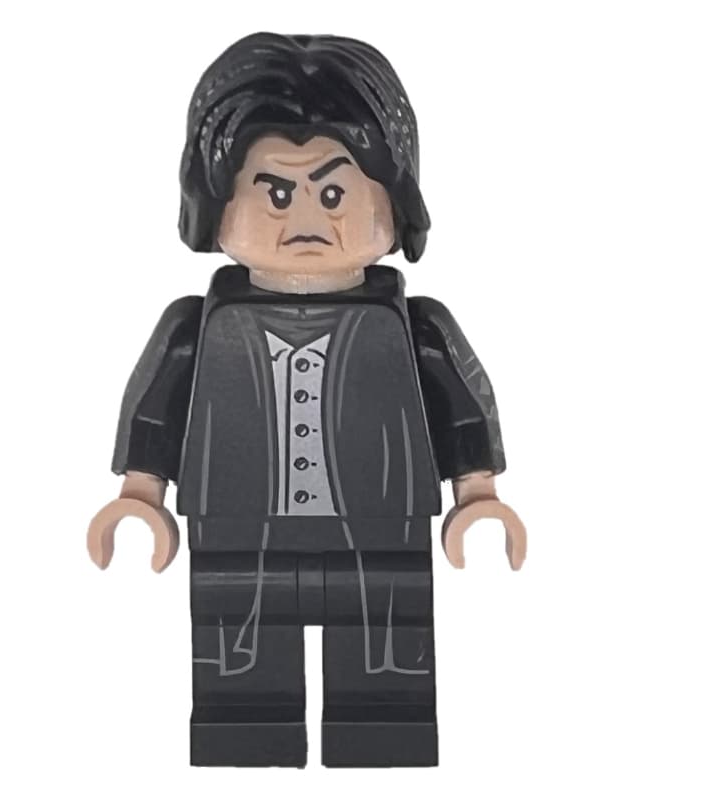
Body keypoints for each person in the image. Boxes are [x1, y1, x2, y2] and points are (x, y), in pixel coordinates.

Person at [88, 32, 526, 768]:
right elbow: (154, 414)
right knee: (237, 651)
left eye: (334, 192)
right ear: (215, 203)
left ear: (394, 201)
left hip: (383, 525)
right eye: (275, 193)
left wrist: (477, 498)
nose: (306, 220)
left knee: (386, 651)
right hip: (236, 526)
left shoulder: (417, 328)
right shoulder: (195, 330)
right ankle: (245, 732)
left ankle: (382, 731)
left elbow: (461, 411)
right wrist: (140, 497)